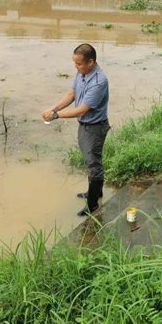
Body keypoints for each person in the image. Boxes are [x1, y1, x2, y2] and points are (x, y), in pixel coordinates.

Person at [42, 43, 110, 217]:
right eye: (75, 63)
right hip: (86, 126)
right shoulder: (82, 74)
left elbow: (82, 109)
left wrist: (56, 116)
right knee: (91, 161)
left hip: (94, 128)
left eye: (79, 64)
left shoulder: (98, 82)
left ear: (91, 62)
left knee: (94, 165)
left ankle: (93, 205)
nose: (76, 67)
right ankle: (96, 192)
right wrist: (54, 109)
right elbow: (72, 94)